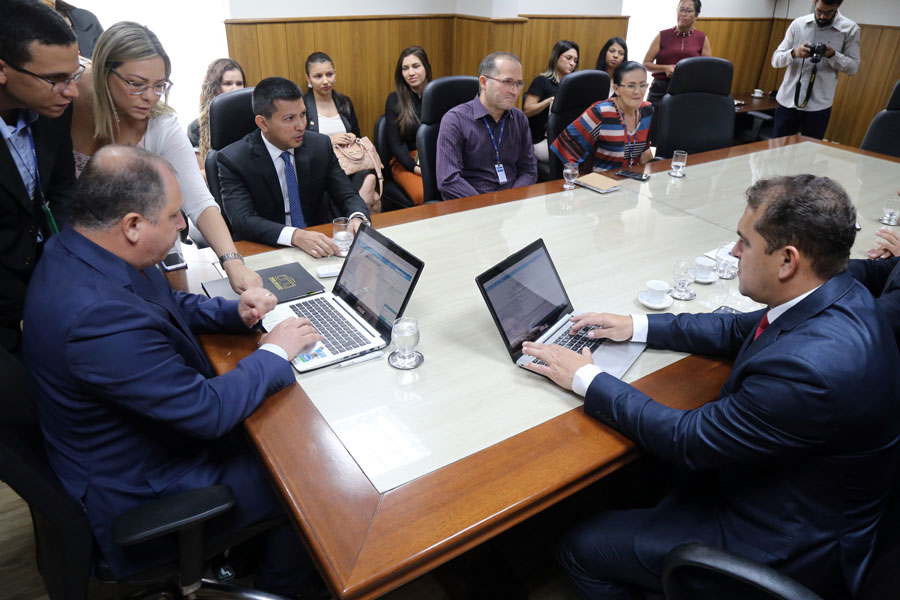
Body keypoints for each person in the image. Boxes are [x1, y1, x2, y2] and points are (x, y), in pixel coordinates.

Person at [522, 174, 900, 599]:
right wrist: (635, 325)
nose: (735, 252)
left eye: (744, 242)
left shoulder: (808, 370)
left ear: (787, 261)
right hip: (796, 490)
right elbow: (736, 328)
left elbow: (688, 439)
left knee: (580, 546)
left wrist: (586, 378)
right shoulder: (841, 293)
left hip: (778, 542)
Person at [22, 144, 325, 595]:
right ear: (132, 225)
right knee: (308, 472)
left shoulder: (85, 249)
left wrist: (232, 313)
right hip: (145, 488)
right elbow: (206, 413)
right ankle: (284, 587)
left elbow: (165, 304)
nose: (184, 226)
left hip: (138, 440)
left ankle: (248, 551)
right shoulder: (94, 317)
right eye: (174, 216)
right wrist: (275, 352)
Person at [70, 22, 261, 293]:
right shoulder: (68, 99)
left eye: (159, 85)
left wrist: (233, 263)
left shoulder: (161, 122)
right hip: (83, 256)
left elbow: (199, 201)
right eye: (136, 84)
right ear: (104, 72)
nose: (149, 97)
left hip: (148, 253)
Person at [0, 0, 80, 355]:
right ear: (3, 70)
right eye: (55, 80)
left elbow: (62, 188)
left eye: (73, 75)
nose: (72, 91)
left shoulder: (54, 107)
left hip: (46, 278)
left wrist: (60, 268)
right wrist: (24, 309)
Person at [217, 76, 370, 258]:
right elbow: (243, 220)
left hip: (318, 243)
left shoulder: (319, 146)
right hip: (265, 248)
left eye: (303, 114)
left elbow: (347, 194)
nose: (301, 126)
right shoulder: (234, 159)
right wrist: (295, 236)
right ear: (263, 123)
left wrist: (357, 217)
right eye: (289, 118)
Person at [436, 51, 537, 201]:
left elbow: (529, 170)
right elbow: (448, 180)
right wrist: (487, 206)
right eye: (507, 82)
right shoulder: (454, 120)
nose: (515, 91)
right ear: (483, 82)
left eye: (518, 83)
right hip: (469, 207)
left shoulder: (519, 119)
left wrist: (510, 199)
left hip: (511, 207)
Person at [771, 0, 860, 140]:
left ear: (839, 5)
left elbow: (853, 68)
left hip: (819, 106)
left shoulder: (850, 29)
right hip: (788, 101)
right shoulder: (798, 24)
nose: (823, 17)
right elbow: (775, 60)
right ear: (814, 2)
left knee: (807, 154)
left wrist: (833, 55)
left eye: (829, 12)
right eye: (819, 11)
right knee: (775, 151)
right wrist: (794, 53)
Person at [303, 52, 380, 212]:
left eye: (329, 74)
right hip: (322, 170)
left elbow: (358, 134)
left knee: (371, 178)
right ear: (308, 79)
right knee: (374, 202)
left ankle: (356, 215)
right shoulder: (303, 106)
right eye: (318, 76)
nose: (325, 81)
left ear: (335, 74)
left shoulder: (344, 102)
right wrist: (329, 141)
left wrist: (353, 137)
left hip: (350, 165)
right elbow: (300, 143)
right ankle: (357, 216)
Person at [551, 61, 653, 174]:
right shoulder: (600, 112)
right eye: (631, 86)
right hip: (601, 184)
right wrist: (577, 185)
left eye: (642, 85)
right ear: (616, 89)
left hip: (631, 183)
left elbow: (644, 152)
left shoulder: (646, 111)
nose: (638, 91)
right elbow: (566, 148)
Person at [643, 0, 711, 141]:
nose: (683, 14)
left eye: (688, 11)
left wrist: (686, 73)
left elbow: (706, 69)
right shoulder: (663, 35)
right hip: (660, 90)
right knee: (653, 134)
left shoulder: (702, 38)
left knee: (678, 135)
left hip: (687, 91)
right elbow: (646, 64)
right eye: (681, 9)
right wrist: (665, 68)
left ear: (696, 15)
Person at [384, 46, 432, 206]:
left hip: (433, 158)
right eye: (405, 68)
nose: (410, 73)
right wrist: (416, 169)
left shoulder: (437, 94)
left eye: (416, 66)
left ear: (426, 67)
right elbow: (396, 144)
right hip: (406, 161)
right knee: (424, 195)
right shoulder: (394, 99)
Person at [523, 40, 579, 163]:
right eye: (568, 58)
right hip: (541, 141)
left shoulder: (572, 86)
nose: (572, 63)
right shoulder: (542, 82)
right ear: (556, 57)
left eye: (575, 61)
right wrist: (549, 101)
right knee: (575, 154)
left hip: (565, 138)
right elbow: (527, 111)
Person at [188, 57, 245, 162]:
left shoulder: (253, 119)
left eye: (239, 83)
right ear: (215, 88)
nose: (235, 89)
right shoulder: (196, 127)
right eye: (228, 84)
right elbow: (199, 172)